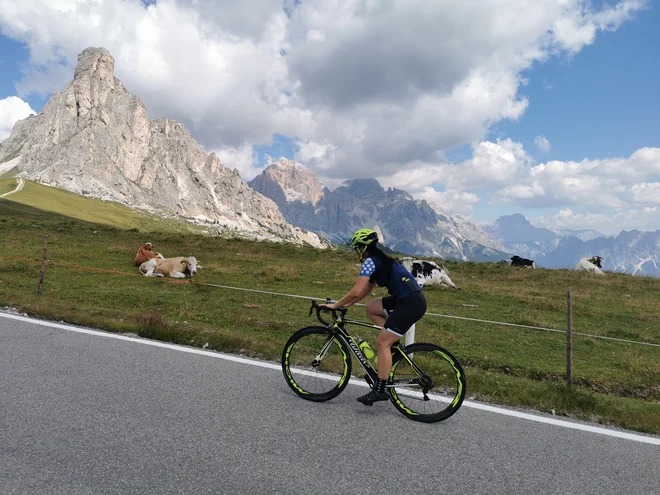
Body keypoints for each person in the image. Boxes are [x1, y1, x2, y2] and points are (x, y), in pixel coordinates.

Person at [322, 228, 427, 406]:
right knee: (371, 307)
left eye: (356, 248)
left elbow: (356, 290)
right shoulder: (382, 260)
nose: (356, 252)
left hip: (409, 304)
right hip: (408, 300)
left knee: (381, 343)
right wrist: (347, 305)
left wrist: (336, 304)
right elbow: (366, 290)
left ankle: (380, 389)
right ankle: (391, 343)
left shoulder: (370, 261)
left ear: (363, 248)